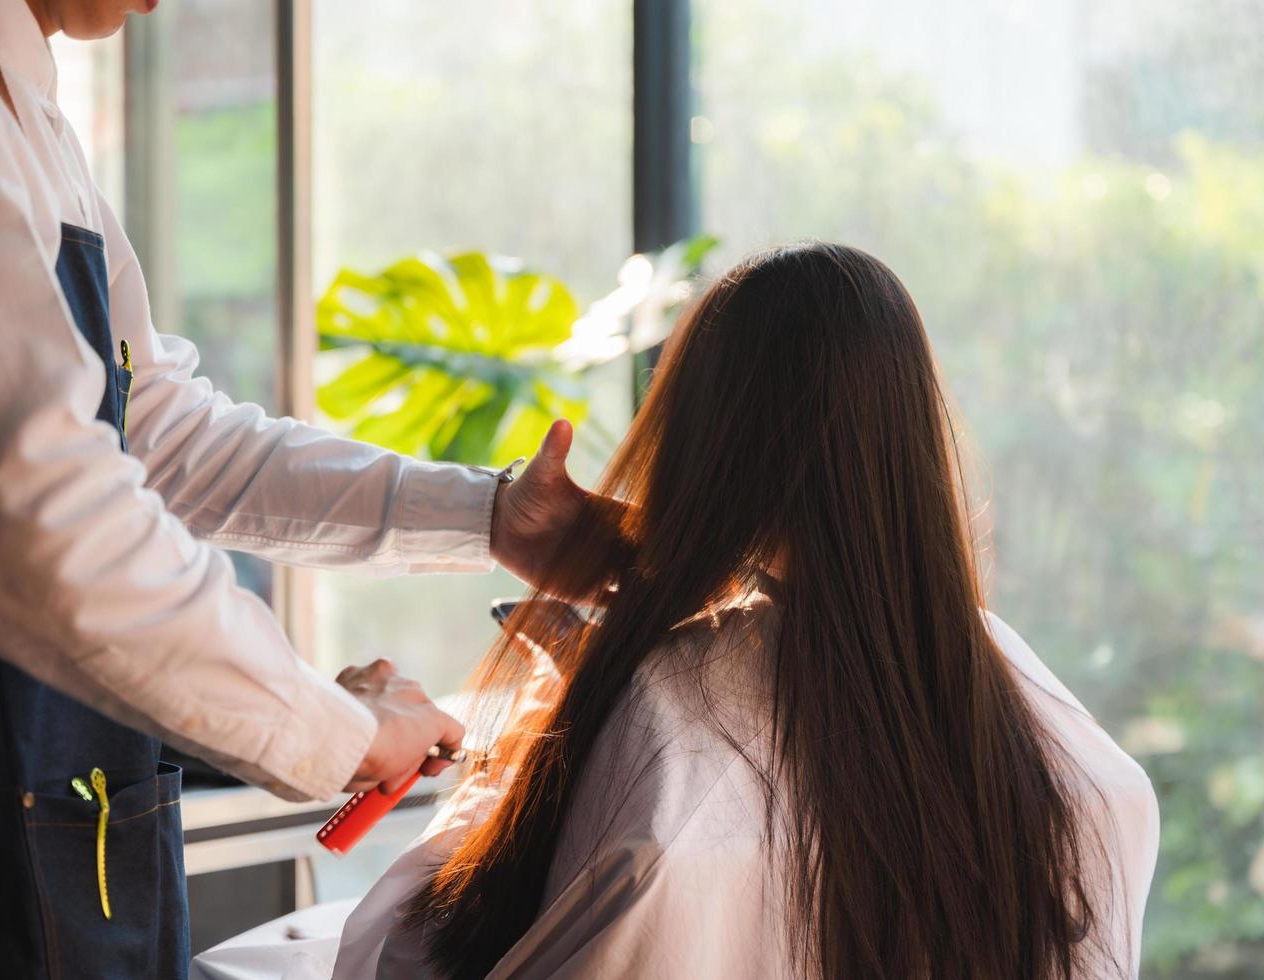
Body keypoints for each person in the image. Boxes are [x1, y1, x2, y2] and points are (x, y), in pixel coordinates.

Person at [201, 242, 1161, 979]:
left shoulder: (666, 723)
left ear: (703, 445)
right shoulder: (1052, 731)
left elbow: (403, 959)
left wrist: (517, 762)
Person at [0, 0, 599, 977]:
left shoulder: (28, 114)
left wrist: (489, 516)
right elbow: (36, 520)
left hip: (65, 824)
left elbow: (165, 434)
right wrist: (345, 730)